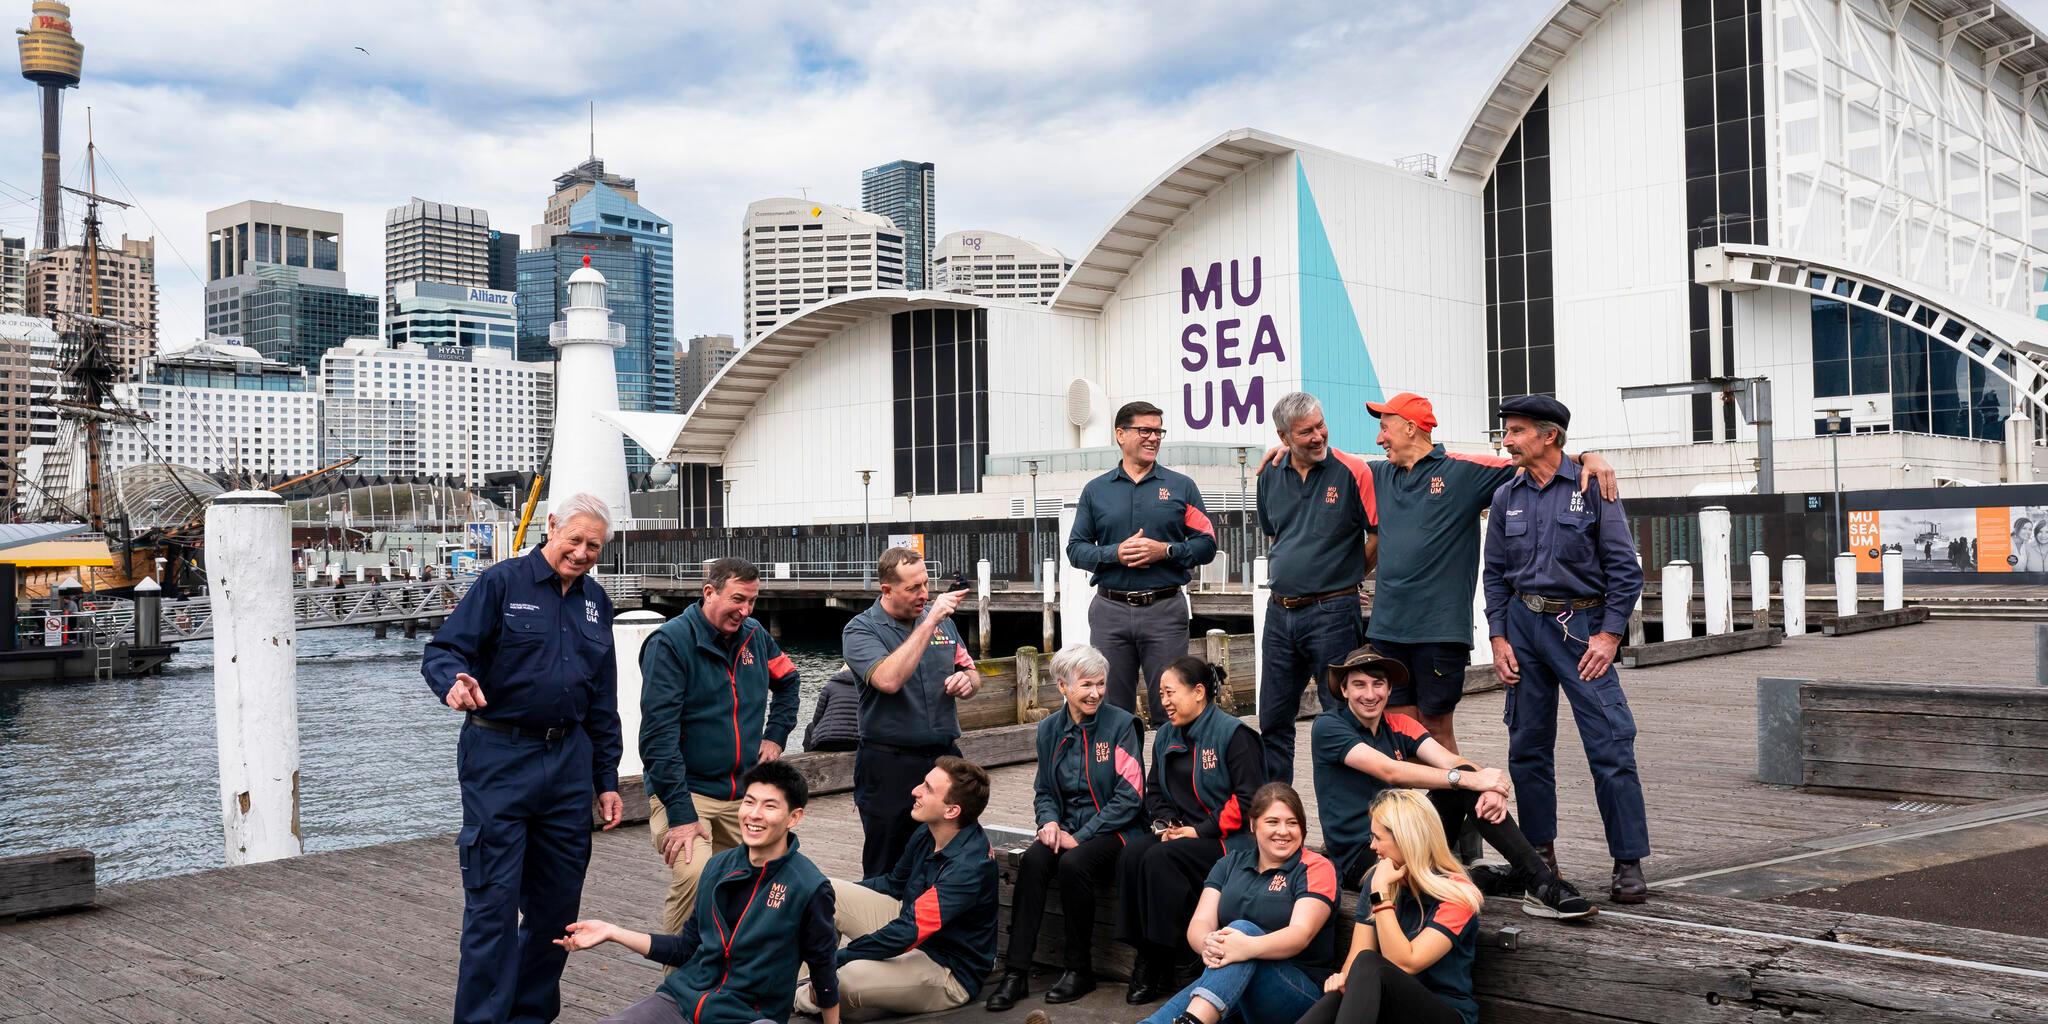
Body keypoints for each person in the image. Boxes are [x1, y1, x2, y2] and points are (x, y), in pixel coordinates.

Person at [1258, 391, 1616, 784]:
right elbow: (1332, 457)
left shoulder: (1463, 470)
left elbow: (1531, 460)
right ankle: (1412, 829)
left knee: (1436, 730)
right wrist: (1286, 446)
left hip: (1439, 628)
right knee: (1399, 731)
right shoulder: (1378, 473)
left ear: (1410, 428)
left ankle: (1463, 819)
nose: (1380, 438)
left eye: (1385, 427)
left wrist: (1587, 458)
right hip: (1387, 629)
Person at [421, 492, 626, 1024]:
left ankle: (530, 1016)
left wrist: (607, 779)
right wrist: (453, 683)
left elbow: (603, 699)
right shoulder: (501, 583)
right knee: (492, 904)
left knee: (556, 908)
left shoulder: (596, 602)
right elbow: (444, 650)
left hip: (569, 764)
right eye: (574, 539)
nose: (581, 553)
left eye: (594, 546)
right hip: (499, 758)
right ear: (551, 526)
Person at [1484, 395, 1652, 904]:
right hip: (1523, 627)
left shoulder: (1592, 486)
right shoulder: (1504, 495)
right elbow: (1493, 575)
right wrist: (1497, 637)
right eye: (1506, 432)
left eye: (1515, 432)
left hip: (1581, 628)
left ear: (1548, 436)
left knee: (1610, 745)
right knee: (1527, 749)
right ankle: (1539, 861)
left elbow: (1626, 570)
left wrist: (1609, 635)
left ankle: (1628, 862)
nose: (1507, 441)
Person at [1310, 646, 1592, 919]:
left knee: (1461, 786)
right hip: (1365, 856)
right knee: (1462, 785)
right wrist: (1472, 779)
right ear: (1344, 690)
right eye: (1359, 685)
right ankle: (1502, 877)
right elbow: (1390, 771)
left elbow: (1452, 762)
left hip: (1409, 837)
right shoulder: (1328, 727)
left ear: (1389, 689)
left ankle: (1541, 884)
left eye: (1378, 684)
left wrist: (1490, 786)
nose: (1370, 694)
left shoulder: (1397, 724)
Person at [555, 761, 839, 1024]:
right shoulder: (718, 866)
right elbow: (686, 949)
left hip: (748, 1016)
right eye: (749, 802)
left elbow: (823, 972)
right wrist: (612, 932)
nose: (754, 814)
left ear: (794, 817)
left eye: (769, 806)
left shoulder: (809, 886)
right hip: (682, 1001)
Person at [639, 556, 803, 937]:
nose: (745, 610)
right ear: (709, 592)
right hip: (686, 791)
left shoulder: (755, 635)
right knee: (696, 875)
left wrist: (776, 734)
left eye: (752, 601)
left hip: (743, 792)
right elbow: (657, 739)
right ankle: (678, 984)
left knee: (773, 876)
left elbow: (789, 681)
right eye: (737, 599)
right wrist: (680, 815)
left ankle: (746, 974)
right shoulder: (670, 644)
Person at [986, 644, 1148, 1011]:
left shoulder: (1122, 726)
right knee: (1033, 861)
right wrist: (1049, 822)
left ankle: (1079, 969)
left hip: (1118, 830)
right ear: (1062, 686)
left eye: (1101, 684)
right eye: (1086, 685)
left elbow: (1131, 795)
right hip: (1068, 827)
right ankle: (1016, 973)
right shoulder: (1048, 730)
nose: (1095, 693)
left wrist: (1083, 835)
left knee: (1075, 864)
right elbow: (1044, 790)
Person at [793, 757, 999, 1019]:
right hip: (909, 926)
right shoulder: (929, 831)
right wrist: (837, 900)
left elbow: (907, 932)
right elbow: (893, 884)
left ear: (951, 811)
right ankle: (791, 981)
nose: (915, 790)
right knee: (823, 891)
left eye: (928, 788)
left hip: (945, 968)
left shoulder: (968, 867)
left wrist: (839, 958)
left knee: (848, 978)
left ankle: (799, 995)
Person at [1118, 657, 1263, 1005]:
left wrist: (1200, 832)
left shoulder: (1234, 735)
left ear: (1199, 692)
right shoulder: (1166, 735)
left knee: (1160, 860)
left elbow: (1249, 800)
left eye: (1170, 692)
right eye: (1161, 694)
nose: (1163, 701)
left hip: (1231, 840)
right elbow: (1155, 790)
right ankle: (1145, 950)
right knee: (1132, 853)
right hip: (1182, 834)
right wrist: (1166, 825)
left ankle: (1177, 960)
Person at [1135, 783, 1338, 1024]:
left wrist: (1246, 946)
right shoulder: (1229, 864)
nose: (1283, 831)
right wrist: (1207, 943)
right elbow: (1201, 922)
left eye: (1292, 823)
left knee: (1241, 931)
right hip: (1232, 985)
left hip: (1298, 994)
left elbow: (1300, 934)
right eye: (1272, 822)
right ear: (1253, 825)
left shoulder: (1315, 867)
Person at [1068, 400, 1219, 723]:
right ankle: (1121, 774)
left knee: (1173, 707)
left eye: (1158, 431)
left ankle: (1168, 774)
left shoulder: (1181, 487)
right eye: (1145, 430)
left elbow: (1207, 544)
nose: (1153, 438)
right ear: (1121, 435)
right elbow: (1076, 550)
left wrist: (1164, 551)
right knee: (1109, 711)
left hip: (1164, 612)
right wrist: (1115, 553)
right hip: (1111, 613)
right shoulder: (1096, 491)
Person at [1254, 392, 1375, 785]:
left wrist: (1351, 572)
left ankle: (1347, 827)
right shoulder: (1270, 473)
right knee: (1272, 718)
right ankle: (1278, 819)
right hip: (1279, 611)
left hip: (1333, 613)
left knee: (1340, 717)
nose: (1318, 436)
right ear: (1284, 437)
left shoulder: (1352, 470)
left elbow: (1379, 534)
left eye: (1321, 425)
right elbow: (1277, 534)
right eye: (1306, 432)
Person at [841, 547, 979, 877]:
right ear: (886, 589)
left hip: (944, 759)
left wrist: (968, 681)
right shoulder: (861, 630)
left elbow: (973, 672)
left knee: (952, 855)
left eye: (926, 584)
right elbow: (888, 680)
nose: (924, 595)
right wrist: (930, 621)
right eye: (913, 588)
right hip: (890, 764)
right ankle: (881, 927)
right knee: (887, 860)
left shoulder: (944, 625)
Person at [1294, 789, 1486, 1024]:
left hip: (1444, 1012)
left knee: (1370, 964)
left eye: (1378, 837)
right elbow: (1356, 955)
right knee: (1342, 990)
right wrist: (1342, 978)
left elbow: (1405, 963)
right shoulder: (1378, 881)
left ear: (1406, 840)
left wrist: (1382, 896)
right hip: (1388, 1006)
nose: (1372, 846)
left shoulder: (1457, 894)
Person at [802, 665, 862, 753]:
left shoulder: (830, 686)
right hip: (858, 741)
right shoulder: (868, 688)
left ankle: (808, 756)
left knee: (810, 727)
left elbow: (817, 719)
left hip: (828, 741)